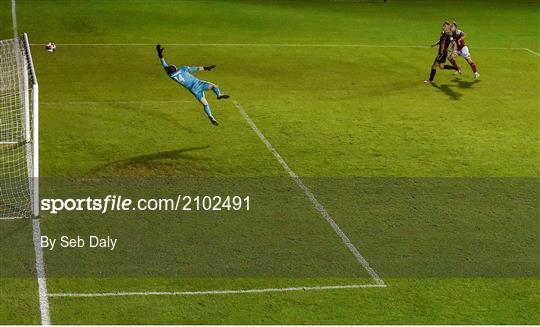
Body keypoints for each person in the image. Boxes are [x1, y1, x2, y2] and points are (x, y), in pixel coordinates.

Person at [156, 44, 229, 126]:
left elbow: (164, 65)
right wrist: (206, 68)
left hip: (193, 90)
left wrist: (160, 54)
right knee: (214, 86)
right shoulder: (182, 69)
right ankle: (219, 95)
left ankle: (210, 116)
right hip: (198, 83)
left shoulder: (171, 75)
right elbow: (195, 68)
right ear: (176, 68)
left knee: (205, 104)